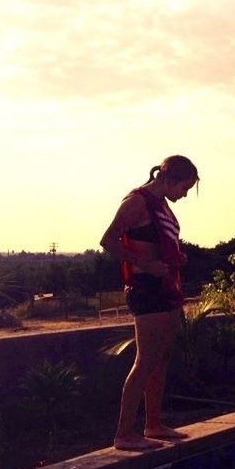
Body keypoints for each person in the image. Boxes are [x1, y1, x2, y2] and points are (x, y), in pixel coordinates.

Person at [100, 155, 199, 450]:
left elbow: (161, 244)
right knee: (145, 360)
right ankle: (124, 433)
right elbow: (108, 240)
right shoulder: (137, 202)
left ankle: (153, 423)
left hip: (165, 286)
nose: (183, 195)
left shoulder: (161, 205)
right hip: (146, 287)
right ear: (168, 179)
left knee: (161, 357)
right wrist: (148, 264)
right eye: (184, 187)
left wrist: (174, 259)